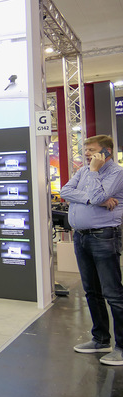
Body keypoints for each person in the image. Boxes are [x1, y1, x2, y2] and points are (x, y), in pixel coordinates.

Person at [60, 135, 123, 366]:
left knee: (113, 294)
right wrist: (93, 200)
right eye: (85, 149)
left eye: (91, 150)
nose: (86, 153)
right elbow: (66, 190)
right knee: (91, 291)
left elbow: (99, 196)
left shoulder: (116, 173)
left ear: (105, 152)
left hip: (104, 236)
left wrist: (95, 175)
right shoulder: (84, 170)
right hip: (81, 237)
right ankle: (100, 339)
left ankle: (122, 347)